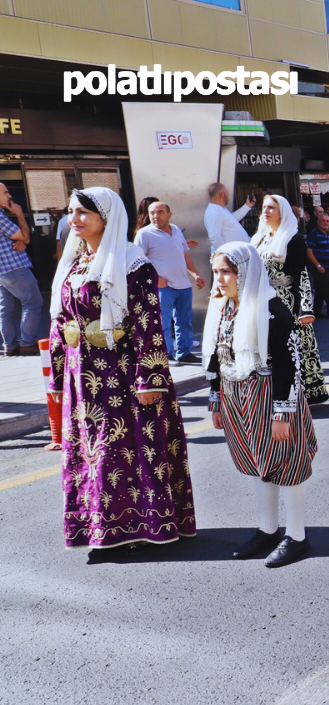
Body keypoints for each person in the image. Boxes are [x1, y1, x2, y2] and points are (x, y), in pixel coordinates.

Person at [48, 188, 196, 555]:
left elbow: (148, 323)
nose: (75, 220)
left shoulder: (132, 263)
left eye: (84, 212)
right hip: (82, 376)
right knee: (90, 451)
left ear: (107, 217)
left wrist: (150, 378)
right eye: (71, 212)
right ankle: (101, 528)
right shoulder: (75, 263)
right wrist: (55, 373)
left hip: (121, 374)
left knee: (122, 450)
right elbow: (59, 320)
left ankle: (140, 526)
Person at [200, 241, 316, 567]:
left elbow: (289, 364)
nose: (220, 279)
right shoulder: (224, 308)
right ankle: (267, 529)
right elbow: (216, 354)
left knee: (286, 463)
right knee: (257, 461)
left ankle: (297, 536)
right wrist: (216, 398)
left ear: (245, 272)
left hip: (269, 394)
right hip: (236, 395)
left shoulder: (273, 310)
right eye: (216, 272)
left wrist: (283, 413)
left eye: (227, 272)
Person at [251, 195, 329, 406]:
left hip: (288, 302)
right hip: (263, 301)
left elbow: (302, 275)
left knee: (294, 347)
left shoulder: (293, 238)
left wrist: (305, 309)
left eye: (271, 208)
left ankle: (302, 395)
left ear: (282, 212)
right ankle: (275, 394)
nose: (266, 211)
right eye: (264, 207)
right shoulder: (259, 238)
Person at [134, 201, 207, 364]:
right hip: (162, 288)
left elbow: (185, 255)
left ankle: (184, 352)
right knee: (163, 322)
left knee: (184, 321)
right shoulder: (144, 234)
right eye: (152, 213)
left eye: (160, 212)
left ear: (169, 214)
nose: (155, 216)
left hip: (184, 285)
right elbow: (138, 261)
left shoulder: (176, 230)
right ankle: (166, 354)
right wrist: (156, 280)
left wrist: (195, 274)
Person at [0, 182, 41, 356]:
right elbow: (25, 236)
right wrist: (18, 214)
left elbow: (21, 239)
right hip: (14, 267)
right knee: (33, 303)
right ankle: (26, 343)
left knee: (5, 309)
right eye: (5, 192)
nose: (9, 196)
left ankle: (9, 346)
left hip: (2, 271)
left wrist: (21, 242)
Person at [305, 213, 329, 319]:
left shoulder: (326, 234)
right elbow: (309, 251)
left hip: (326, 266)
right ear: (318, 222)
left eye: (327, 221)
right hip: (319, 267)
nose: (325, 223)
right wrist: (318, 265)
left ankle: (317, 312)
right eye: (323, 221)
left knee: (320, 290)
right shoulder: (314, 234)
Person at [203, 182, 255, 253]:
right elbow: (214, 237)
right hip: (230, 257)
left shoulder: (220, 209)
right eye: (227, 192)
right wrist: (226, 255)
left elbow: (232, 219)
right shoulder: (214, 211)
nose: (228, 194)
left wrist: (247, 206)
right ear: (221, 194)